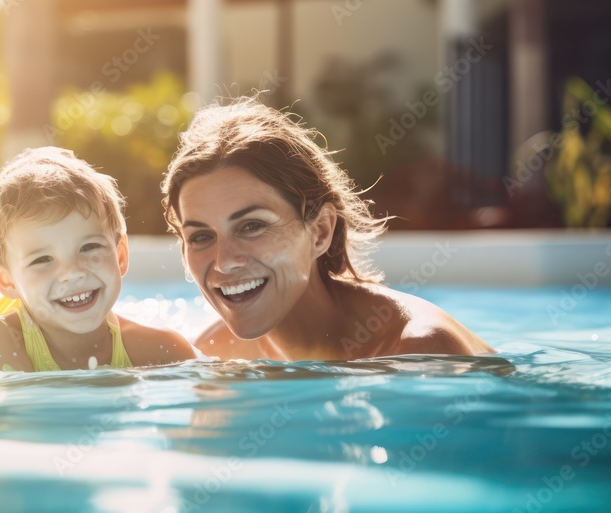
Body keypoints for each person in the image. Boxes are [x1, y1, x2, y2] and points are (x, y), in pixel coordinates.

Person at [160, 98, 493, 361]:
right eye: (201, 236)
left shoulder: (419, 352)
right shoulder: (218, 352)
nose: (223, 262)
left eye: (252, 226)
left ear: (320, 231)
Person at [0, 147, 196, 373]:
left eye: (89, 247)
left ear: (121, 255)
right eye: (42, 259)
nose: (72, 272)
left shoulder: (161, 350)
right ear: (6, 280)